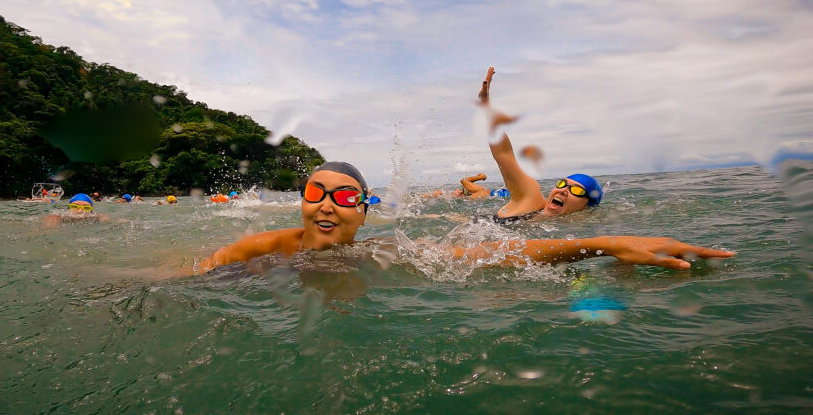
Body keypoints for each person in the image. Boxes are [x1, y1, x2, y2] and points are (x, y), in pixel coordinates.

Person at [196, 161, 733, 273]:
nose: (327, 204)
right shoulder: (259, 248)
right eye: (316, 192)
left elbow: (490, 253)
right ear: (302, 201)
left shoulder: (385, 252)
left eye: (343, 196)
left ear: (364, 209)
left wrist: (610, 243)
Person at [478, 66, 603, 222]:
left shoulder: (570, 231)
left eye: (576, 190)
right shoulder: (530, 199)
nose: (563, 190)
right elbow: (504, 155)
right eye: (562, 183)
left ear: (586, 207)